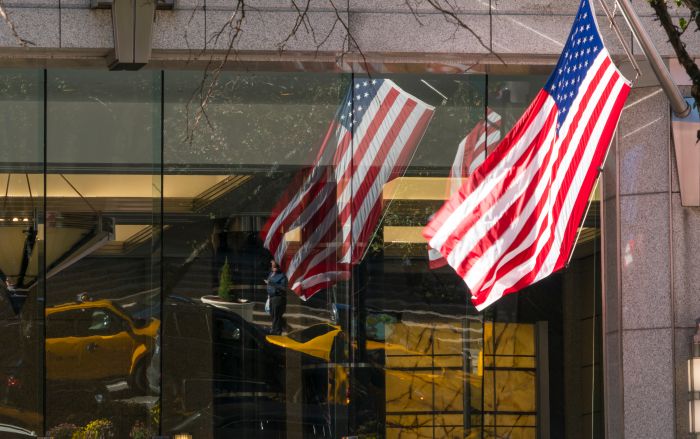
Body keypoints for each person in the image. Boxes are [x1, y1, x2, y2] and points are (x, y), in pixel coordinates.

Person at [264, 260, 287, 335]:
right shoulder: (271, 274)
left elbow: (283, 288)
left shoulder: (282, 276)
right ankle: (277, 329)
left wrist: (272, 283)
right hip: (271, 297)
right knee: (273, 314)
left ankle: (276, 332)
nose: (271, 262)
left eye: (273, 262)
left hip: (278, 298)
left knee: (276, 316)